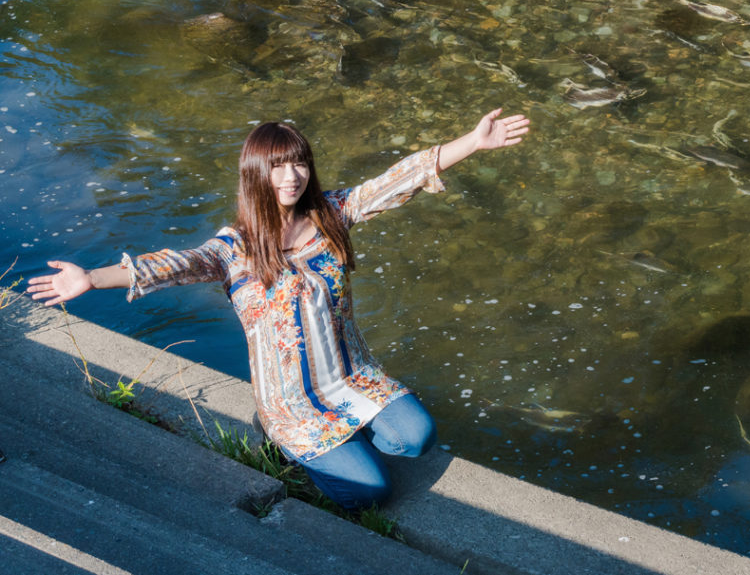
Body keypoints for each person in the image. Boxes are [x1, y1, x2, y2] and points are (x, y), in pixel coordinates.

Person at [27, 108, 530, 510]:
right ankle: (289, 445)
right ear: (256, 173)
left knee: (418, 438)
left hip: (352, 377)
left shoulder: (330, 215)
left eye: (299, 163)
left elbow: (397, 180)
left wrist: (472, 141)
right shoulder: (234, 250)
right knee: (372, 492)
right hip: (292, 402)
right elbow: (172, 264)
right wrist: (91, 279)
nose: (290, 176)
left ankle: (346, 438)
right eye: (277, 166)